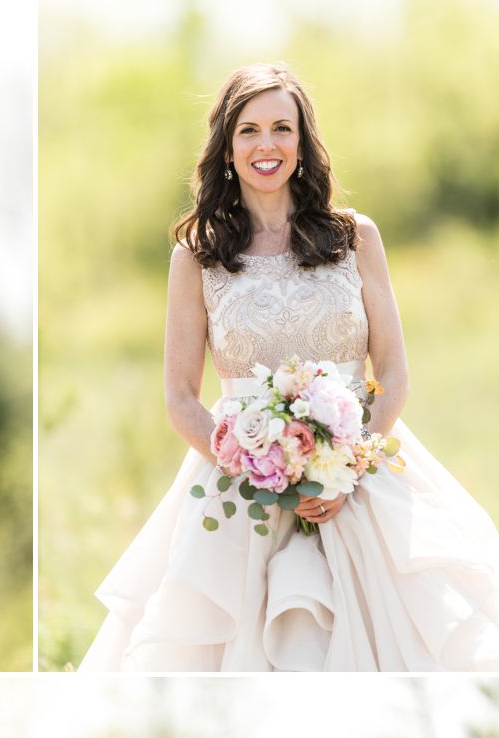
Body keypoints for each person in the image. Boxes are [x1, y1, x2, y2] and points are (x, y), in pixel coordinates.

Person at [81, 62, 499, 671]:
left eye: (283, 127)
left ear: (303, 143)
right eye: (249, 130)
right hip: (239, 484)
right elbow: (179, 397)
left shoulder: (355, 237)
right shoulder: (196, 257)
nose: (267, 145)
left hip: (362, 470)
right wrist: (256, 467)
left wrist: (343, 470)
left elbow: (394, 373)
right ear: (227, 147)